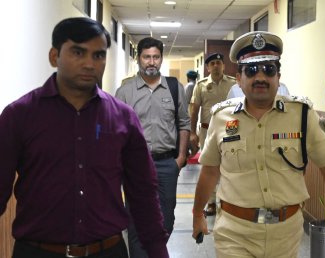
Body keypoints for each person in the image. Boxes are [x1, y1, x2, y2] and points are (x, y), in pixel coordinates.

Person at [0, 17, 169, 258]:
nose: (89, 64)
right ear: (53, 56)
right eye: (78, 53)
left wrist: (158, 251)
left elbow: (143, 192)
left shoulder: (123, 118)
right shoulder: (20, 115)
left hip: (108, 250)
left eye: (98, 55)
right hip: (37, 251)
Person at [192, 31, 325, 257]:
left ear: (278, 77)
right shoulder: (221, 118)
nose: (260, 77)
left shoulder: (302, 115)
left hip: (286, 234)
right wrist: (197, 214)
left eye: (269, 70)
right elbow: (210, 171)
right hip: (235, 232)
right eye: (251, 71)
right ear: (239, 79)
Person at [115, 37, 190, 239]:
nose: (151, 62)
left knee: (166, 221)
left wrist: (180, 158)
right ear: (139, 59)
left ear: (161, 59)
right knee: (136, 220)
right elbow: (116, 131)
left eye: (156, 57)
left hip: (167, 164)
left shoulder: (175, 89)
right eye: (146, 57)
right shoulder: (124, 92)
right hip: (136, 166)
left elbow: (184, 123)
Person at [189, 53, 236, 216]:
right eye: (212, 64)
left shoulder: (233, 83)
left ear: (223, 66)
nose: (216, 66)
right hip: (206, 131)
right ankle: (211, 203)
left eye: (219, 63)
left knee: (229, 165)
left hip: (230, 130)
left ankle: (227, 201)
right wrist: (192, 133)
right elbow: (194, 110)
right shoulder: (201, 85)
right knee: (209, 166)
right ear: (208, 67)